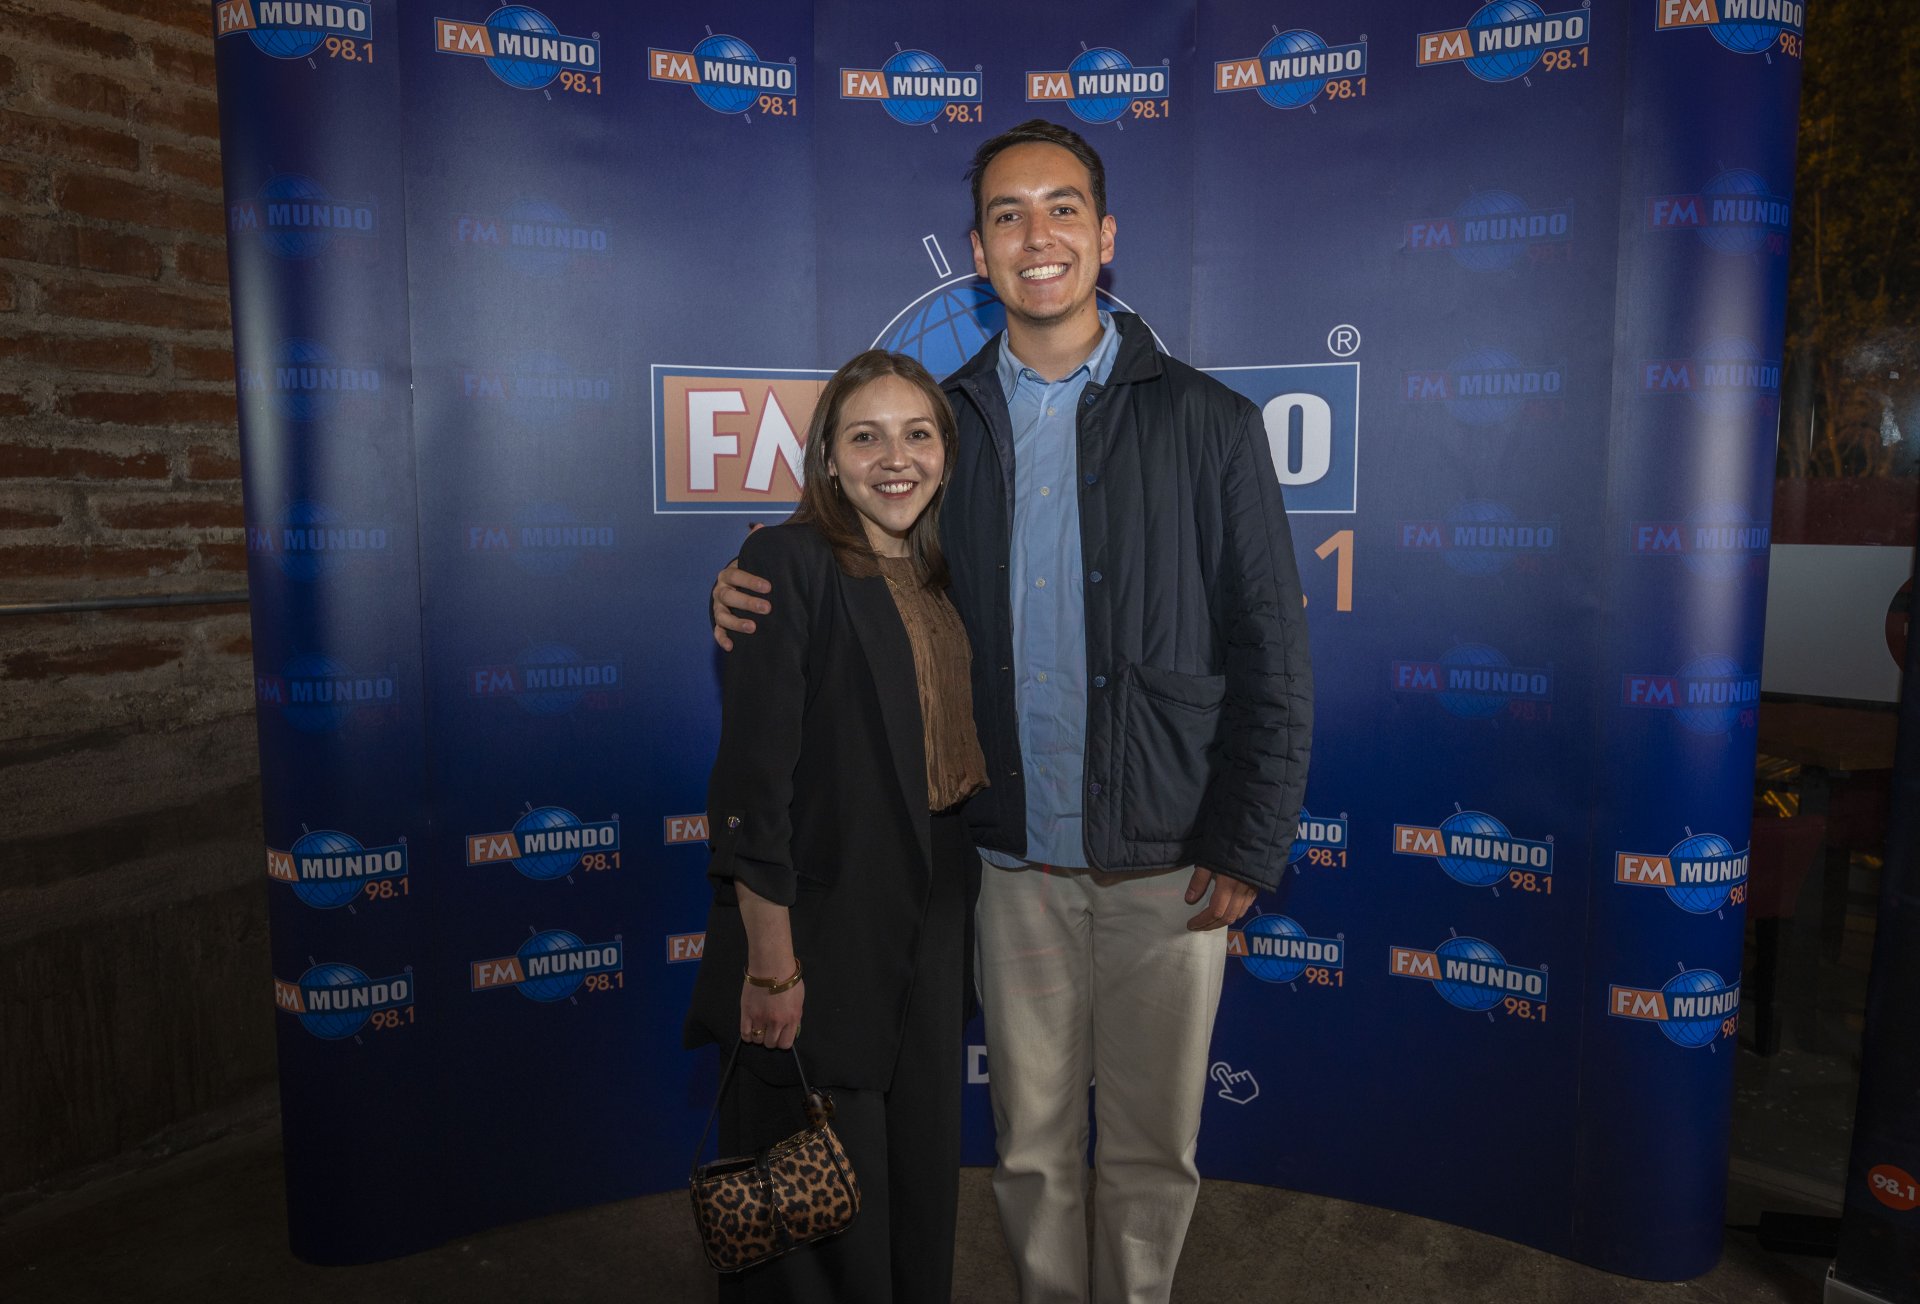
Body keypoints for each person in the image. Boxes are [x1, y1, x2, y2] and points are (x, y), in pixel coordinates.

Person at [712, 119, 1312, 1304]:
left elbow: (1272, 649)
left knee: (1151, 1151)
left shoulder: (1211, 422)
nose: (1038, 235)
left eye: (1062, 207)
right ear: (981, 252)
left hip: (1169, 860)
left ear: (1105, 235)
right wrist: (746, 581)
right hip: (1006, 864)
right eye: (1007, 214)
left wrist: (1249, 839)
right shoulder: (951, 426)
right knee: (1030, 1149)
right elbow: (857, 549)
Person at [685, 350, 988, 1303]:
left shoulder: (943, 569)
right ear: (827, 458)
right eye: (866, 437)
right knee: (821, 1188)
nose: (895, 458)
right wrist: (771, 962)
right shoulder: (787, 563)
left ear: (945, 453)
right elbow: (753, 783)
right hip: (824, 915)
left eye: (918, 434)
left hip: (935, 900)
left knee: (918, 1165)